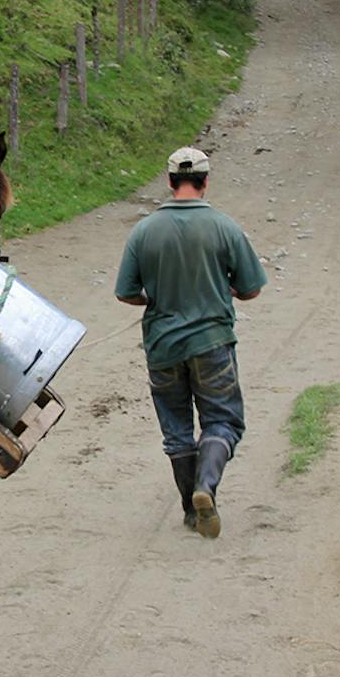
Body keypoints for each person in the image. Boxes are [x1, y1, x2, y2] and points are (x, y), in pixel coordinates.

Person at [114, 146, 265, 537]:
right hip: (212, 343)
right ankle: (206, 487)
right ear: (205, 182)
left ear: (169, 182)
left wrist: (154, 298)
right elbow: (251, 289)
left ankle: (190, 511)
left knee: (177, 431)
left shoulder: (144, 231)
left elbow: (126, 292)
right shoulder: (225, 228)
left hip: (163, 347)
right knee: (223, 421)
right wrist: (223, 287)